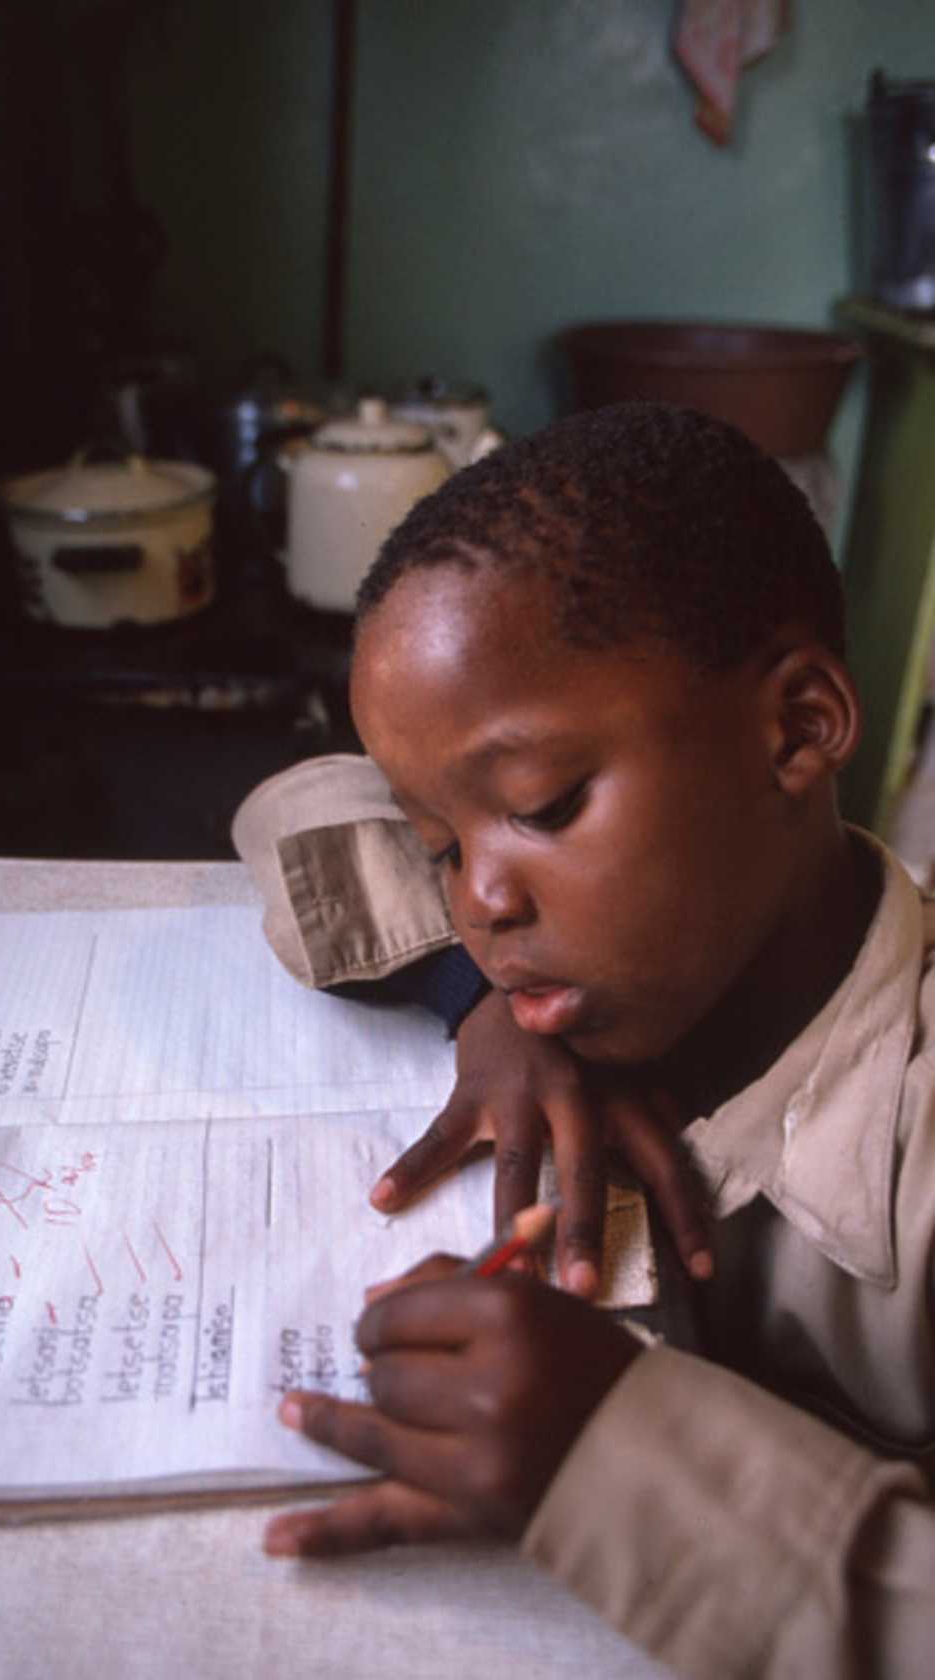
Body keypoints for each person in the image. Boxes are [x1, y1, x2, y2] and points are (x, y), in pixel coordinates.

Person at [233, 402, 935, 1677]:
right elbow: (297, 799)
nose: (481, 899)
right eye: (441, 847)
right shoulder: (614, 960)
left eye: (541, 806)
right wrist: (481, 1000)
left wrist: (615, 1456)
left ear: (799, 727)